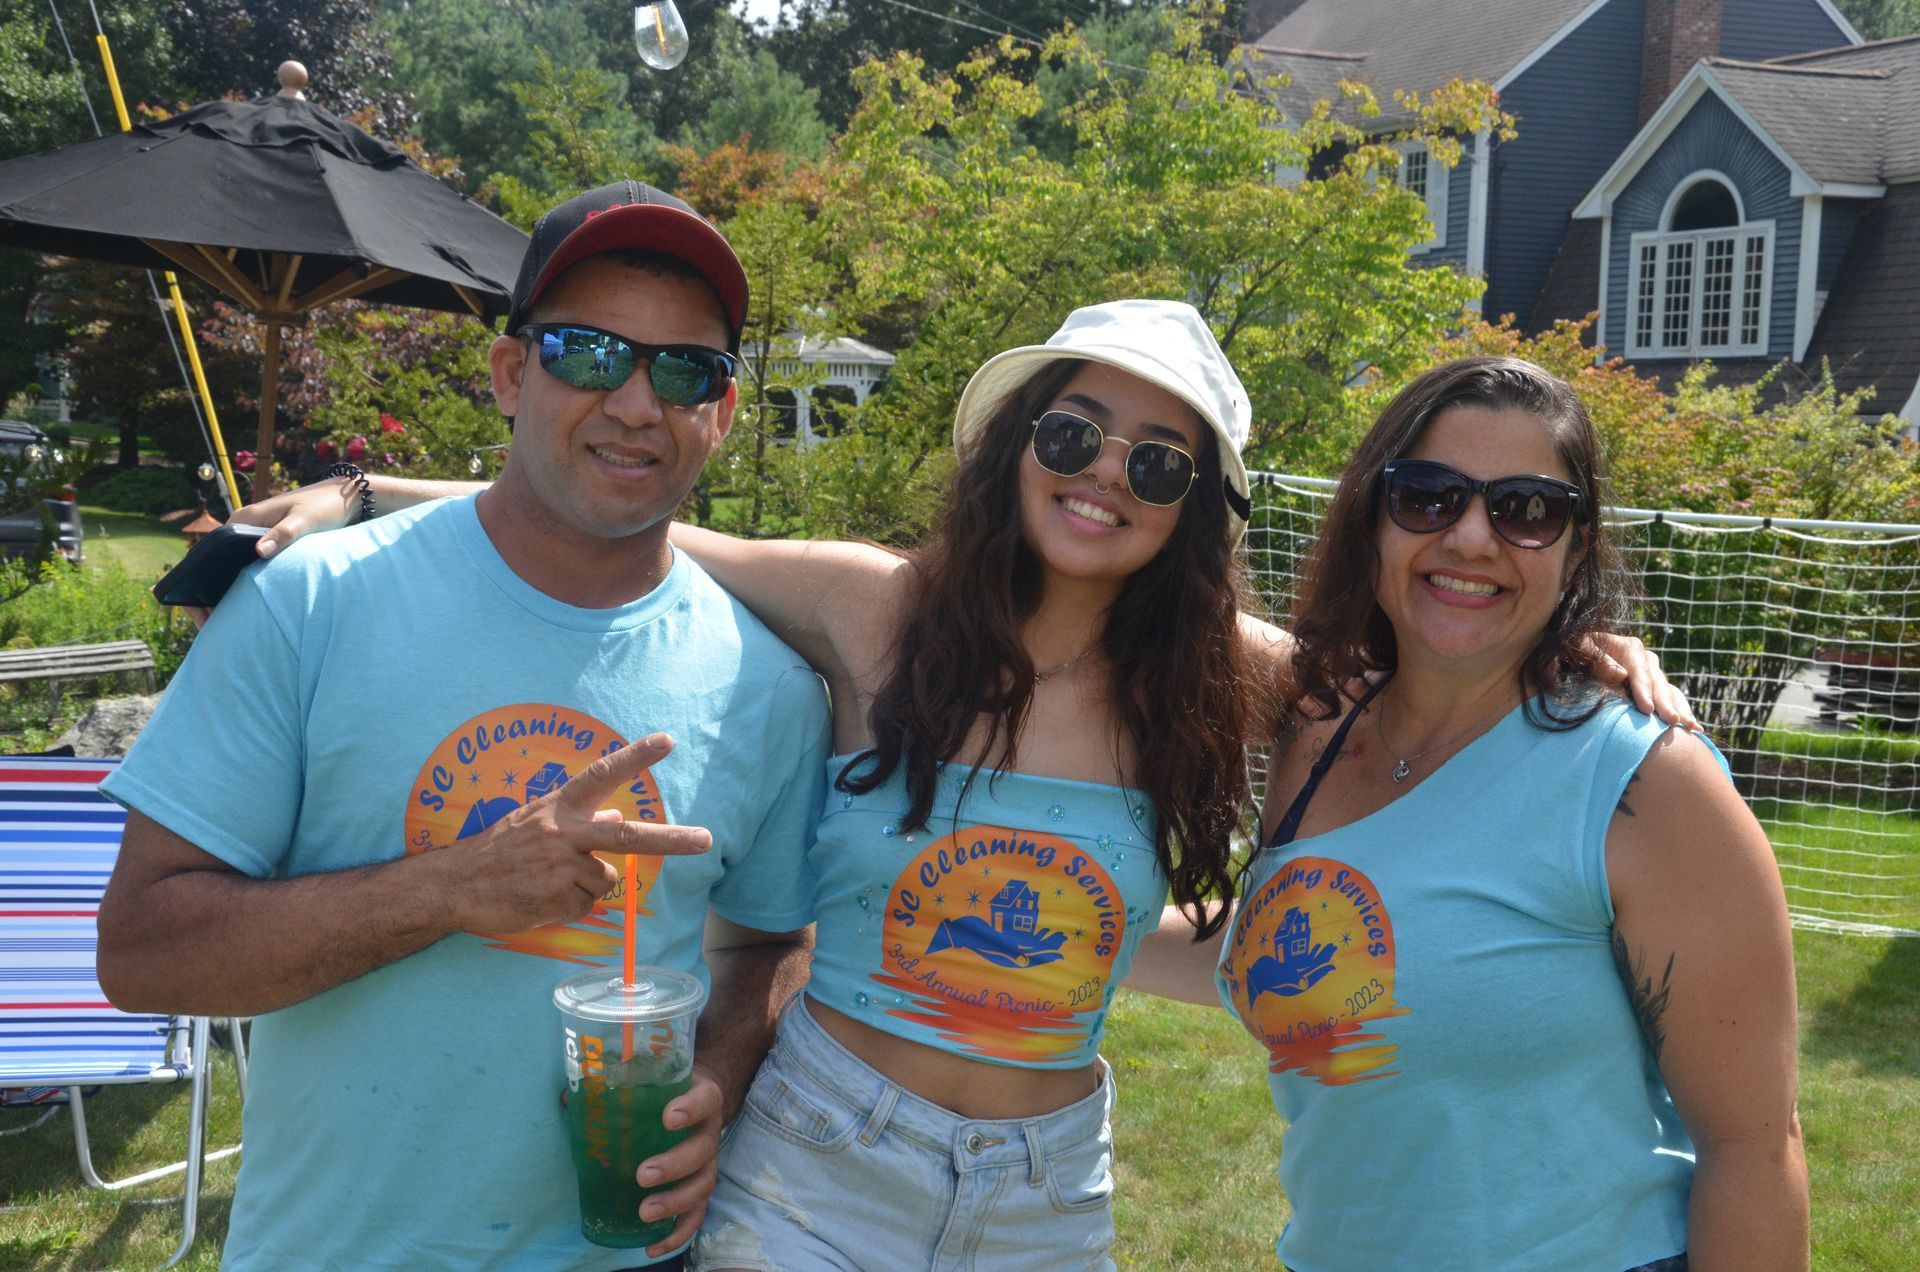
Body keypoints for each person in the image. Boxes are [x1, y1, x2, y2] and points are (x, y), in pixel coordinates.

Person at [227, 306, 1691, 1269]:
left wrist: (1589, 649)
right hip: (818, 1158)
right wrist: (362, 496)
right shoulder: (879, 613)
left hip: (1050, 1192)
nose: (1105, 473)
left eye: (1157, 460)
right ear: (1014, 448)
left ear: (1196, 505)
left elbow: (1450, 638)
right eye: (1072, 435)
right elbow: (644, 528)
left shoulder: (1226, 675)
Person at [94, 181, 832, 1271]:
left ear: (719, 414)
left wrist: (718, 1078)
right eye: (588, 352)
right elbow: (143, 955)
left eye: (686, 371)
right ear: (509, 372)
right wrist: (451, 887)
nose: (636, 403)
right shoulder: (312, 605)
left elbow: (770, 942)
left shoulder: (767, 685)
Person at [1132, 356, 1804, 1271]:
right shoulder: (1314, 724)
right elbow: (1307, 955)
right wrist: (1073, 929)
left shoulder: (1648, 784)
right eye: (1428, 496)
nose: (1474, 538)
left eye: (1528, 509)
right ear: (1371, 517)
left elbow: (1755, 1151)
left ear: (1574, 547)